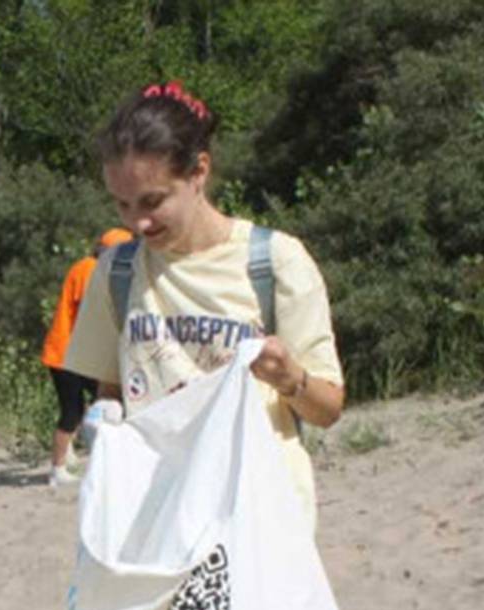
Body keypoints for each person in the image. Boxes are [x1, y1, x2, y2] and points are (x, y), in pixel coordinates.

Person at [63, 80, 344, 528]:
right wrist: (104, 421)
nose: (138, 222)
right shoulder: (116, 273)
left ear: (198, 172)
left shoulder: (274, 261)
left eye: (153, 201)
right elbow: (112, 392)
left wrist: (290, 378)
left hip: (260, 517)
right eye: (122, 204)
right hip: (158, 516)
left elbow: (328, 408)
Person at [41, 227, 133, 488]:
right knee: (74, 411)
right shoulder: (89, 268)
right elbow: (90, 310)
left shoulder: (87, 266)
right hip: (67, 354)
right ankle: (57, 469)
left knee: (98, 403)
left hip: (73, 352)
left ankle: (71, 456)